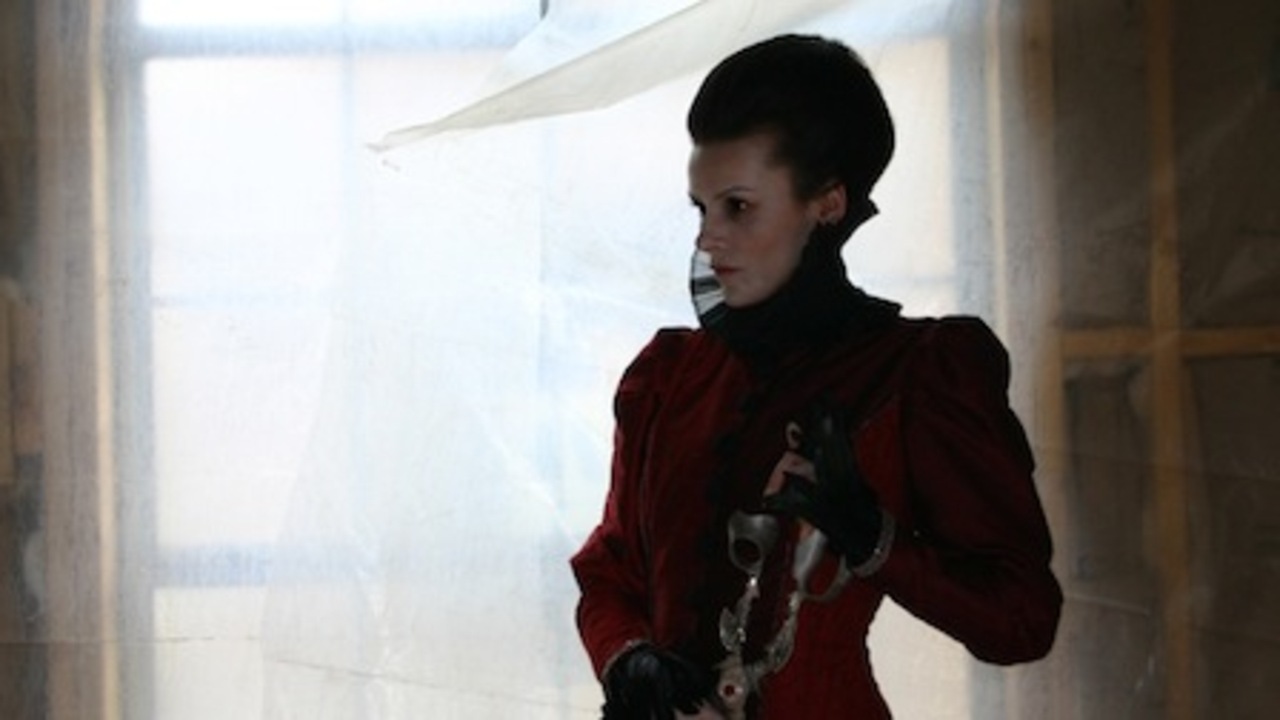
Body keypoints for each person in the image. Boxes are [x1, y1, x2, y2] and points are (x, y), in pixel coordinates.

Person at [570, 34, 1062, 719]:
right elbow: (611, 565)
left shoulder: (918, 373)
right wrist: (628, 659)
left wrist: (870, 536)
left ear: (827, 203)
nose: (707, 240)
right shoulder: (668, 376)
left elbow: (1021, 620)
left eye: (738, 206)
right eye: (701, 208)